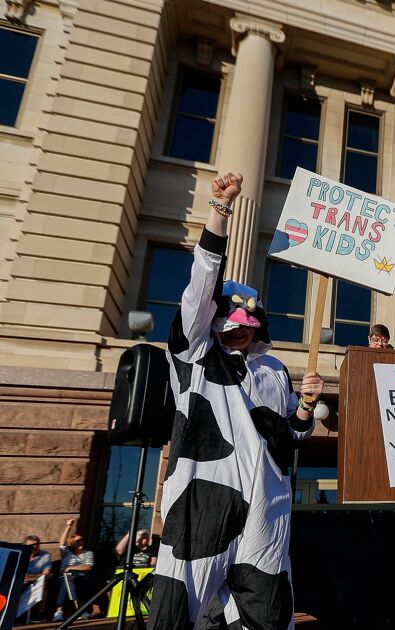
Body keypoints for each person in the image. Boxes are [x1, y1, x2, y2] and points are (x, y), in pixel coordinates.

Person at [148, 172, 326, 630]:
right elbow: (201, 284)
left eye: (248, 316)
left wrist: (305, 405)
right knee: (174, 612)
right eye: (230, 314)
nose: (239, 323)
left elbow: (295, 434)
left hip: (268, 504)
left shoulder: (274, 370)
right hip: (202, 496)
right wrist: (220, 210)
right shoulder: (195, 352)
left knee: (268, 616)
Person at [53, 518, 94, 622]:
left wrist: (71, 567)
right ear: (72, 543)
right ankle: (60, 612)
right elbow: (62, 543)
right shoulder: (67, 553)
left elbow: (88, 567)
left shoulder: (88, 553)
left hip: (81, 576)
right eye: (78, 541)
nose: (81, 542)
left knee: (79, 582)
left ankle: (80, 611)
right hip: (66, 576)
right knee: (66, 582)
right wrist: (69, 526)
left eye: (82, 540)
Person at [23, 535, 52, 621]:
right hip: (20, 580)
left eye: (37, 544)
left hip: (36, 581)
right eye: (32, 545)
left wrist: (32, 577)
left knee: (44, 582)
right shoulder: (21, 554)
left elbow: (46, 574)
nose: (35, 546)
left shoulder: (45, 555)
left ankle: (40, 613)